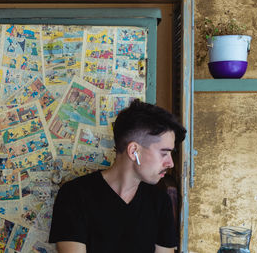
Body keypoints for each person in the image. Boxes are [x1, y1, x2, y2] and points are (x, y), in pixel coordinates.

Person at [49, 99, 186, 253]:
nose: (170, 163)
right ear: (134, 151)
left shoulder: (160, 202)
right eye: (164, 153)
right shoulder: (74, 196)